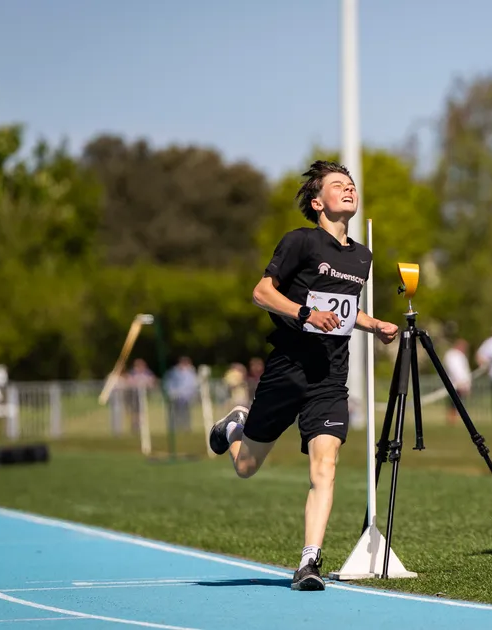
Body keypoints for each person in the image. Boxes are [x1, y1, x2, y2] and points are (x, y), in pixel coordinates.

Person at [205, 160, 399, 591]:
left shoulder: (362, 256)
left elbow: (344, 313)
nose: (349, 189)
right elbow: (261, 292)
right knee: (246, 467)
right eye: (338, 185)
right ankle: (235, 426)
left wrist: (376, 325)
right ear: (317, 201)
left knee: (325, 467)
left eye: (351, 185)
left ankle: (308, 562)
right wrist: (305, 313)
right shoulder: (301, 242)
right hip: (288, 370)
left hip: (330, 377)